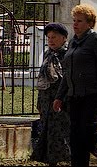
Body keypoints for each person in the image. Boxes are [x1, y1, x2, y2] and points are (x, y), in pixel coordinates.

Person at [53, 4, 97, 167]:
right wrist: (59, 97)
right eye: (74, 20)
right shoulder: (74, 42)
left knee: (86, 134)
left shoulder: (96, 40)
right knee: (75, 137)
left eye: (79, 21)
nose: (75, 24)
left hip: (92, 96)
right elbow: (67, 73)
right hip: (74, 97)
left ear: (90, 23)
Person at [31, 23, 71, 166]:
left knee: (60, 134)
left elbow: (66, 79)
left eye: (54, 37)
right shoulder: (49, 54)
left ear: (64, 38)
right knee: (47, 133)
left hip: (60, 101)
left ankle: (67, 160)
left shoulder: (67, 54)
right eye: (48, 38)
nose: (51, 40)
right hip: (46, 101)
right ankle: (51, 161)